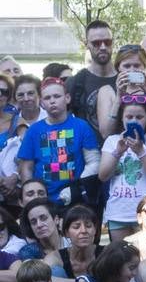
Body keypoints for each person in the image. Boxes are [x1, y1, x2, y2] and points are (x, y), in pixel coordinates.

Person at [15, 77, 100, 206]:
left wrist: (78, 188)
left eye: (57, 96)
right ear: (42, 103)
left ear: (67, 98)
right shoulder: (34, 130)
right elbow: (26, 167)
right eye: (47, 98)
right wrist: (32, 197)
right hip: (44, 201)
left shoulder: (82, 126)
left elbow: (94, 162)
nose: (52, 101)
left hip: (76, 199)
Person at [98, 99, 146, 240]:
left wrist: (141, 152)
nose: (134, 121)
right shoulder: (112, 141)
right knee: (122, 258)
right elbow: (103, 175)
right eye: (129, 117)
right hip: (118, 212)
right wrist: (117, 152)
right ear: (122, 118)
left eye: (139, 117)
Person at [95, 43, 146, 138]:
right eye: (127, 66)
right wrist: (118, 99)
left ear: (144, 66)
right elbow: (105, 133)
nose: (132, 70)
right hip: (119, 149)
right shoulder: (107, 91)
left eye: (137, 65)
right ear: (118, 68)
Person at [68, 20, 118, 134]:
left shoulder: (124, 78)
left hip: (121, 149)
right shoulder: (76, 82)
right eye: (96, 43)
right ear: (87, 45)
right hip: (86, 150)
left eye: (107, 42)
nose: (103, 47)